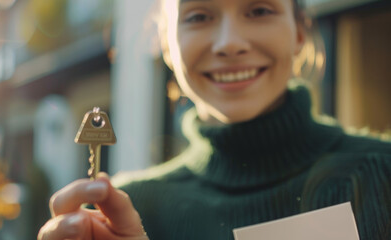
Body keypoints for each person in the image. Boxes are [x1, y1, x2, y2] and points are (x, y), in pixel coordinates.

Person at [37, 0, 391, 239]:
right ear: (166, 41)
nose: (229, 43)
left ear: (300, 30)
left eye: (259, 9)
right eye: (199, 16)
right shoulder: (121, 212)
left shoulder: (383, 173)